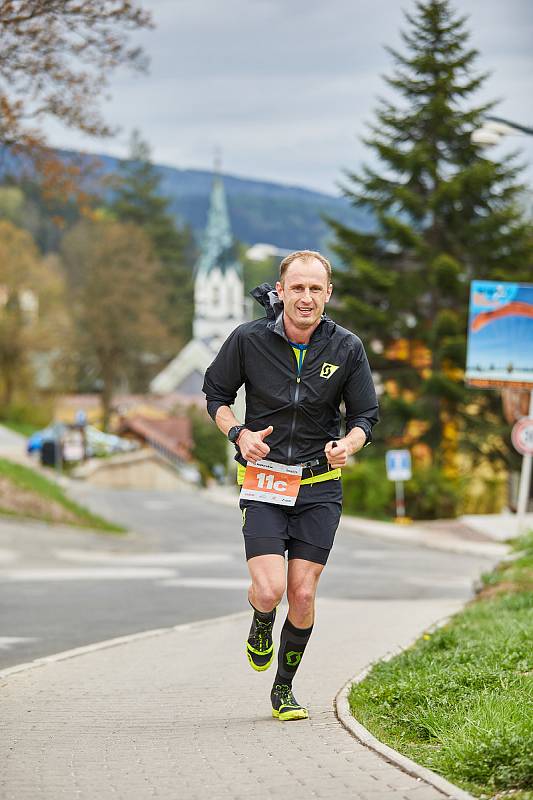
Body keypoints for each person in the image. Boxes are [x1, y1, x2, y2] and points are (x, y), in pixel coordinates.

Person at [202, 250, 378, 721]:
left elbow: (365, 416)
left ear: (328, 294)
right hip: (264, 479)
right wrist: (237, 433)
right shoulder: (248, 340)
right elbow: (216, 394)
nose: (306, 297)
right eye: (297, 288)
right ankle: (261, 621)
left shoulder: (346, 348)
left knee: (301, 594)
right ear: (280, 292)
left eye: (315, 289)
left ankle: (284, 688)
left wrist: (350, 445)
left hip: (319, 485)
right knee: (269, 590)